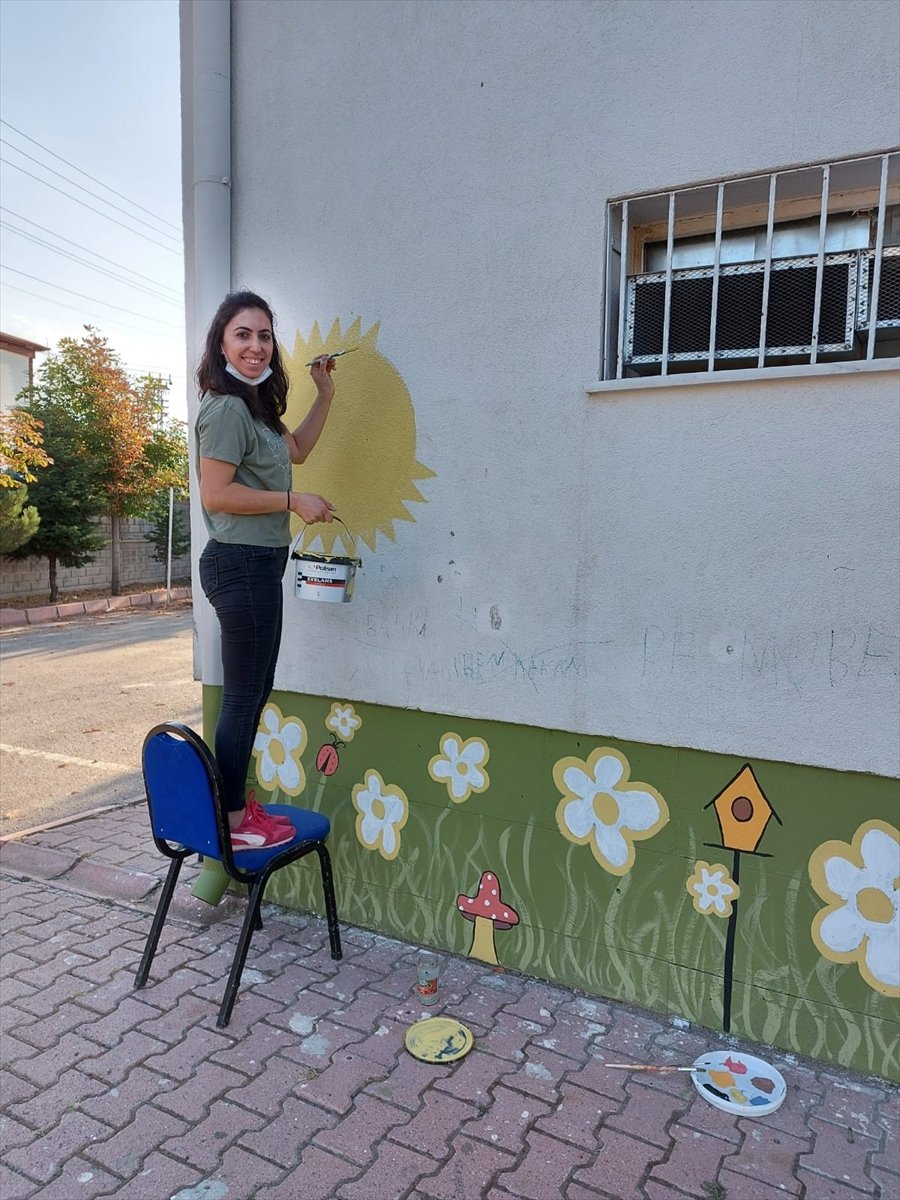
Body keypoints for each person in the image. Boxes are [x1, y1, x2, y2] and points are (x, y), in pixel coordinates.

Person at [195, 290, 337, 851]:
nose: (256, 346)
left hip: (256, 565)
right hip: (241, 565)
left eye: (264, 336)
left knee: (253, 692)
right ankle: (232, 822)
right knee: (243, 696)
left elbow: (296, 449)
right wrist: (292, 503)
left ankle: (235, 810)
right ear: (222, 342)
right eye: (243, 335)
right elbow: (215, 493)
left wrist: (325, 392)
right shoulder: (226, 406)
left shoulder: (252, 403)